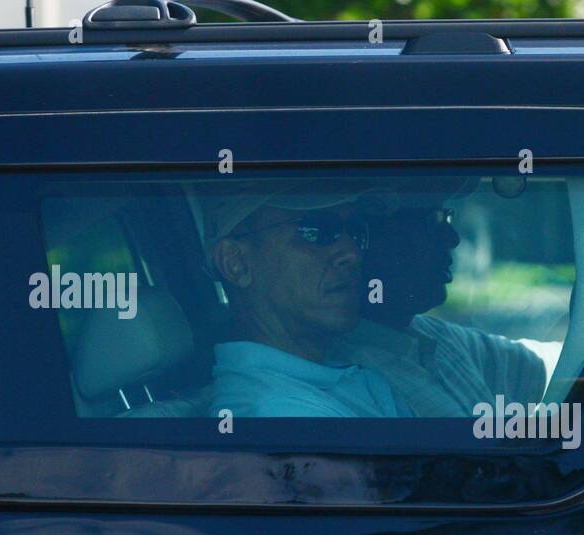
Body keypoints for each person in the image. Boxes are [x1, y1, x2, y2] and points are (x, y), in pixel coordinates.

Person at [202, 178, 545, 419]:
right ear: (235, 263)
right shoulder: (281, 414)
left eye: (355, 232)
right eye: (316, 230)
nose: (352, 252)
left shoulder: (332, 377)